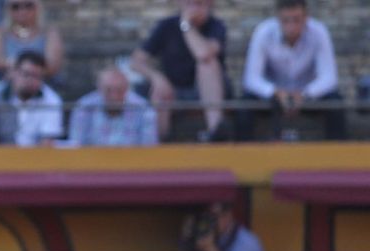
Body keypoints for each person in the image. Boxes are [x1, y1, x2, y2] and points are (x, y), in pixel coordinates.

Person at [239, 0, 345, 142]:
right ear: (277, 18)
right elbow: (251, 78)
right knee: (245, 104)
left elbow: (329, 77)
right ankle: (245, 157)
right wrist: (276, 92)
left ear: (306, 17)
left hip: (309, 97)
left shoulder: (319, 32)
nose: (291, 26)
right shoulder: (264, 32)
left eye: (296, 20)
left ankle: (336, 157)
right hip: (273, 98)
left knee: (335, 103)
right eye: (285, 20)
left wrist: (305, 94)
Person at [132, 0, 230, 141]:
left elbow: (203, 54)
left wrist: (186, 24)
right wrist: (156, 78)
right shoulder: (166, 26)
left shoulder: (216, 26)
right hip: (173, 91)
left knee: (207, 64)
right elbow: (136, 61)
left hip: (209, 93)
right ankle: (160, 142)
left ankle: (215, 132)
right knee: (159, 91)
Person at [0, 50, 62, 146]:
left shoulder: (52, 100)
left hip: (37, 158)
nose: (30, 80)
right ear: (13, 73)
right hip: (0, 157)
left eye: (37, 76)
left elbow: (47, 144)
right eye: (26, 74)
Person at [68, 65, 157, 147]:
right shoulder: (84, 108)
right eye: (108, 90)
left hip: (133, 162)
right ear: (99, 88)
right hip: (92, 162)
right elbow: (76, 146)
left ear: (127, 89)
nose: (114, 96)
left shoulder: (143, 109)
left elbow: (149, 148)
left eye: (119, 90)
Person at [0, 0, 62, 85]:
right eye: (15, 6)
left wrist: (29, 75)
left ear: (38, 8)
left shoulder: (49, 33)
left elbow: (52, 66)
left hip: (43, 84)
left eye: (28, 5)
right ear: (8, 10)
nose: (22, 11)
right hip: (6, 83)